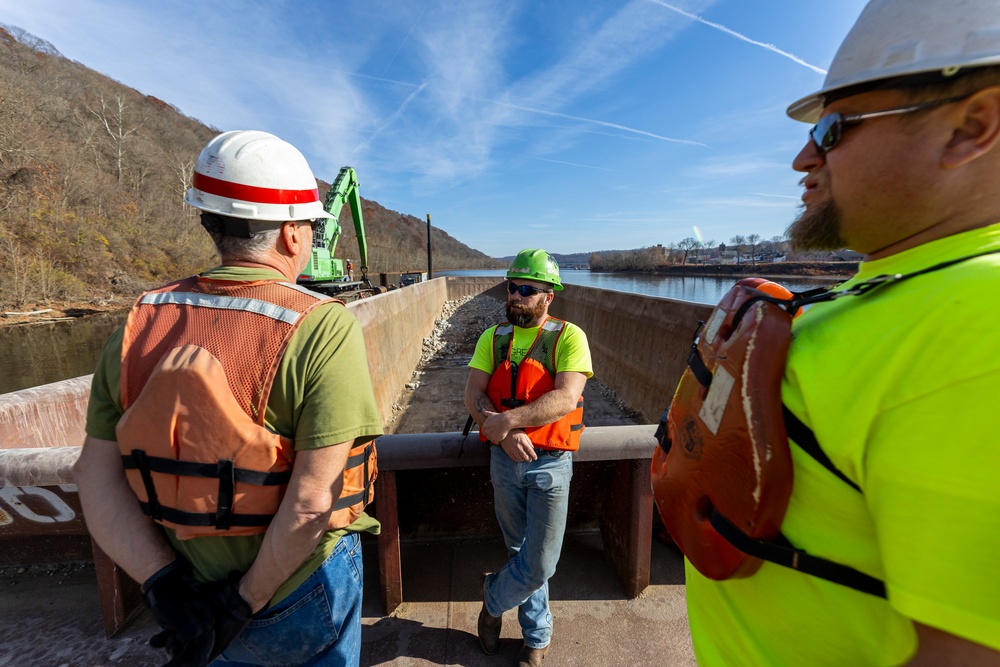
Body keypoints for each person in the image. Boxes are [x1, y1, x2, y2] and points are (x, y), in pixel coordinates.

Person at [673, 1, 1000, 664]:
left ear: (971, 127)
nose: (802, 157)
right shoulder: (904, 291)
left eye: (830, 128)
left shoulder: (978, 325)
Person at [73, 130, 383, 667]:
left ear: (211, 222)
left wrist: (164, 587)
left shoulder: (141, 320)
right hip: (295, 589)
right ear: (291, 234)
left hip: (188, 593)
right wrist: (240, 603)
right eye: (310, 226)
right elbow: (313, 503)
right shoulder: (321, 326)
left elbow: (94, 477)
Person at [464, 249, 592, 667]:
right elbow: (474, 394)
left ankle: (492, 598)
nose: (515, 296)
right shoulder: (493, 338)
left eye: (526, 290)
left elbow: (566, 396)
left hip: (550, 464)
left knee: (539, 563)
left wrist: (508, 421)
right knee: (518, 548)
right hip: (504, 462)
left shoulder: (569, 337)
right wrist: (504, 434)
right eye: (511, 288)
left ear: (548, 296)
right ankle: (536, 639)